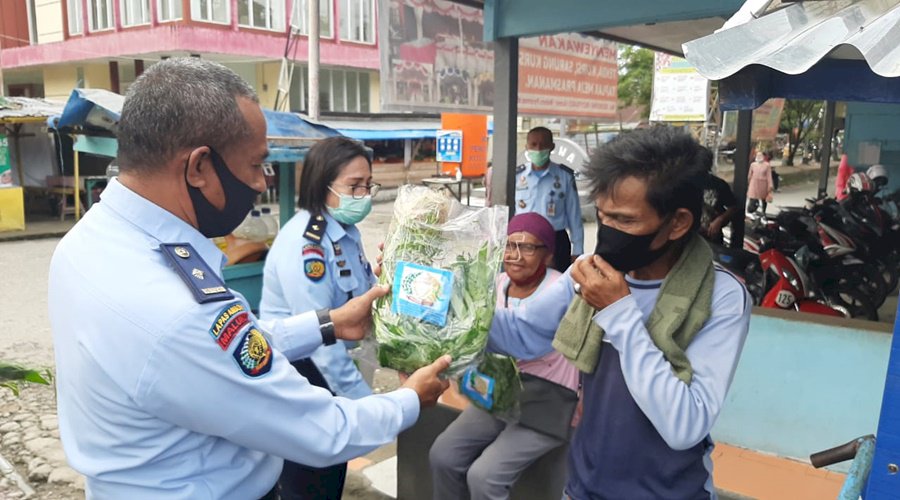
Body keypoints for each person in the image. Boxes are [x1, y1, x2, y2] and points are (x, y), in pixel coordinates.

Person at [47, 58, 451, 499]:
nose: (262, 183)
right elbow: (323, 431)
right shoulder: (176, 308)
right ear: (199, 167)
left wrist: (328, 323)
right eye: (257, 165)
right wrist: (411, 398)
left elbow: (225, 353)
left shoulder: (86, 242)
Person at [489, 127, 752, 498]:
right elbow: (521, 332)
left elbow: (685, 425)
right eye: (602, 217)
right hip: (584, 486)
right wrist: (445, 299)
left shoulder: (721, 296)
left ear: (677, 223)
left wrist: (618, 311)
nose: (609, 233)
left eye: (625, 221)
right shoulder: (589, 271)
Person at [260, 136, 380, 498]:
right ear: (322, 184)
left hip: (337, 364)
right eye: (354, 186)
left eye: (368, 185)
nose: (365, 194)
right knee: (309, 474)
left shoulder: (345, 233)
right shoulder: (306, 244)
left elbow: (364, 291)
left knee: (332, 464)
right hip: (304, 369)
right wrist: (363, 402)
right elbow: (321, 337)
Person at [429, 212, 579, 500]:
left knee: (484, 477)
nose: (515, 255)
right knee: (443, 454)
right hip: (496, 396)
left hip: (545, 403)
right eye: (510, 246)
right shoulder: (493, 284)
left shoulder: (561, 291)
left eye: (528, 247)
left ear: (547, 255)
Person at [514, 126, 584, 271]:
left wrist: (578, 250)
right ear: (527, 147)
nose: (538, 149)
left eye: (543, 144)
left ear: (551, 147)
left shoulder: (564, 176)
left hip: (556, 241)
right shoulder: (517, 176)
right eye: (533, 144)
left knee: (557, 286)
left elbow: (574, 216)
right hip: (523, 240)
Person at [699, 151, 738, 245]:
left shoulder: (718, 184)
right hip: (689, 239)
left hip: (712, 238)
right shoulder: (684, 184)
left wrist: (720, 219)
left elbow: (733, 207)